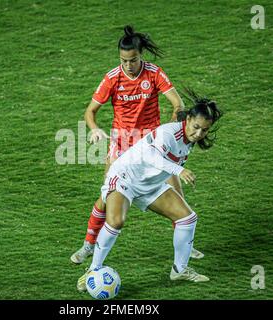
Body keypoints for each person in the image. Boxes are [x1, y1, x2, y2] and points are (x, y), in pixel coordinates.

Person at [71, 25, 205, 264]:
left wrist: (175, 120)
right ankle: (88, 245)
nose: (128, 65)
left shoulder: (154, 73)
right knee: (107, 197)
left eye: (132, 60)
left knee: (176, 193)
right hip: (122, 143)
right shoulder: (112, 78)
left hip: (151, 143)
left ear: (140, 55)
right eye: (123, 61)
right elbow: (90, 112)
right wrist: (94, 130)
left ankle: (185, 244)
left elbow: (177, 102)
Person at [77, 90, 223, 291]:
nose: (198, 134)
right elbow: (152, 158)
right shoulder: (168, 133)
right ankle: (93, 269)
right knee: (116, 221)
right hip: (124, 177)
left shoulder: (189, 140)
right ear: (188, 119)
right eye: (196, 127)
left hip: (150, 185)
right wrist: (179, 170)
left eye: (204, 131)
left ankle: (179, 269)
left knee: (187, 218)